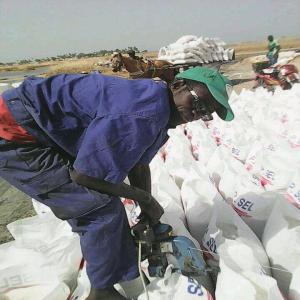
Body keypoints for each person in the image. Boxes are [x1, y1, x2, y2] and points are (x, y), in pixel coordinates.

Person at [0, 67, 234, 300]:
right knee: (99, 210)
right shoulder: (142, 111)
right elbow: (84, 176)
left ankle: (117, 270)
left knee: (106, 201)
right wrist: (146, 199)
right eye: (198, 103)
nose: (196, 113)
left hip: (42, 127)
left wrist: (148, 212)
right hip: (14, 133)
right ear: (178, 85)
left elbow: (138, 164)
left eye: (205, 113)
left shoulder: (159, 106)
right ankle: (101, 292)